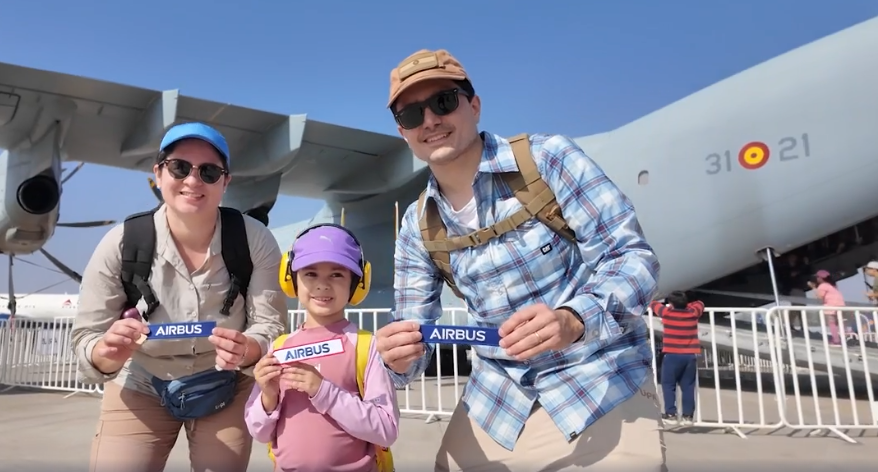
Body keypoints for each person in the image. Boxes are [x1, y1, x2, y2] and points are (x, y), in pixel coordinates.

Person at [374, 49, 664, 471]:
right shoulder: (416, 226)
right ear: (403, 132)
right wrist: (396, 358)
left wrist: (574, 320)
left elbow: (631, 257)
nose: (430, 120)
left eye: (444, 101)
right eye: (411, 114)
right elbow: (412, 335)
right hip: (499, 396)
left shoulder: (548, 159)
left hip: (597, 377)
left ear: (474, 106)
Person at [70, 122, 289, 472]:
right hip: (142, 379)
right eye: (179, 167)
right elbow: (87, 336)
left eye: (209, 172)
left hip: (226, 381)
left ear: (225, 182)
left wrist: (249, 348)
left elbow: (271, 326)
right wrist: (105, 353)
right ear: (158, 173)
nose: (193, 180)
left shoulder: (255, 240)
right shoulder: (121, 243)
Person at [244, 224, 399, 472]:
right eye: (310, 274)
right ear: (291, 280)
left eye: (336, 274)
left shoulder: (365, 347)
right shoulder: (280, 347)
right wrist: (268, 398)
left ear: (357, 283)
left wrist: (323, 391)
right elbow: (259, 432)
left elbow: (386, 429)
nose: (322, 285)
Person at [650, 290, 704, 426]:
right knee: (688, 386)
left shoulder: (667, 313)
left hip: (672, 355)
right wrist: (687, 305)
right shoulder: (693, 313)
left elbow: (653, 304)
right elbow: (700, 303)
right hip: (690, 355)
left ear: (671, 304)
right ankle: (688, 416)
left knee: (668, 385)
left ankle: (671, 414)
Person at [808, 269, 845, 346]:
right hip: (840, 304)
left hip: (831, 305)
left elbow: (819, 297)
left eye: (817, 277)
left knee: (831, 323)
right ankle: (839, 338)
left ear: (820, 278)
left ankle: (836, 340)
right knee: (837, 323)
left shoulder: (823, 286)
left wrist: (813, 288)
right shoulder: (832, 285)